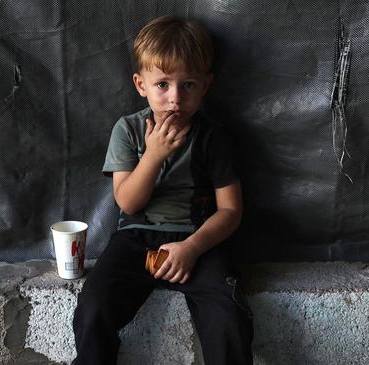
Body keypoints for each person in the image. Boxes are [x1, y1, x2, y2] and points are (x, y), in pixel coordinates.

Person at [72, 15, 254, 365]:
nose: (175, 98)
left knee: (227, 317)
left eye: (188, 85)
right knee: (94, 306)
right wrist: (153, 155)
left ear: (206, 85)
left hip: (198, 239)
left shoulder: (213, 138)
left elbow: (231, 211)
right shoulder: (128, 131)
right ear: (141, 85)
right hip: (137, 237)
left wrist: (191, 247)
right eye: (162, 85)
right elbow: (127, 202)